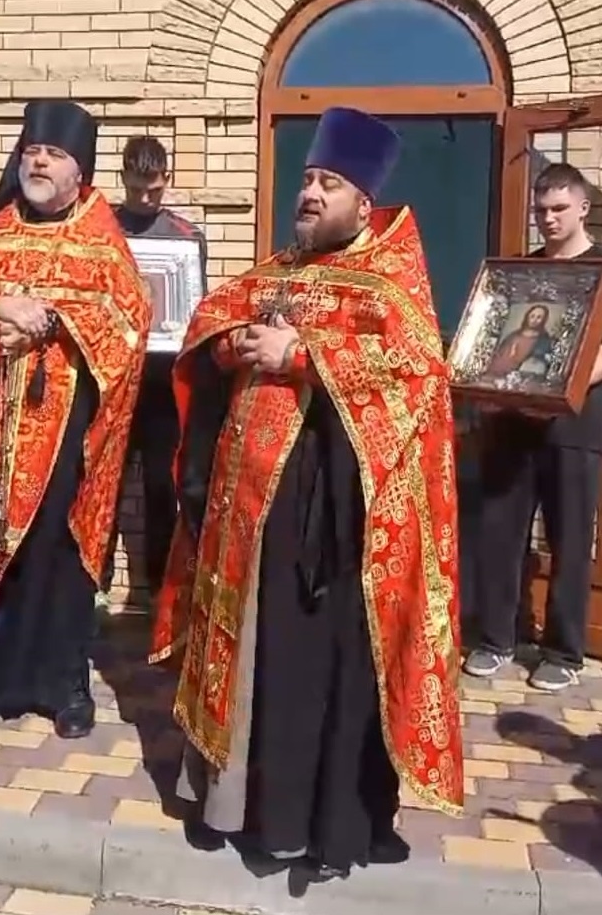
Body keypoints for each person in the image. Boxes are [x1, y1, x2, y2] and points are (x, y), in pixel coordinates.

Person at [151, 107, 463, 879]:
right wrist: (235, 343)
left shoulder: (390, 282)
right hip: (245, 513)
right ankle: (234, 805)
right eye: (309, 179)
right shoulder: (279, 270)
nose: (311, 193)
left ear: (365, 201)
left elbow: (417, 373)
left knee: (308, 668)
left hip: (331, 522)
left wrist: (305, 354)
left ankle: (308, 823)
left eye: (331, 184)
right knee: (250, 657)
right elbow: (213, 319)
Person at [0, 100, 151, 738]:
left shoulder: (101, 239)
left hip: (67, 425)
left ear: (80, 171)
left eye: (55, 154)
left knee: (57, 548)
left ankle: (62, 685)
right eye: (32, 151)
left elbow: (129, 316)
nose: (38, 162)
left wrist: (52, 321)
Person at [465, 162, 602, 692]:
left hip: (575, 428)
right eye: (541, 210)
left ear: (583, 208)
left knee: (570, 539)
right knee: (500, 534)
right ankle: (496, 639)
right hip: (514, 427)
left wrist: (564, 384)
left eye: (559, 209)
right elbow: (496, 344)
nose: (548, 218)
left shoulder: (598, 270)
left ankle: (564, 652)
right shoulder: (519, 275)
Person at [102, 135, 207, 600]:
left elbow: (196, 308)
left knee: (164, 484)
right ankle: (95, 583)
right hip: (111, 379)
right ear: (123, 177)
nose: (145, 199)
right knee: (102, 482)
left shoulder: (185, 236)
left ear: (167, 179)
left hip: (163, 383)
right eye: (136, 189)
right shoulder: (102, 229)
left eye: (154, 190)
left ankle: (158, 592)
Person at [487, 304, 552, 379]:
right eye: (532, 316)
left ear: (544, 320)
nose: (534, 320)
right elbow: (499, 353)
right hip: (495, 373)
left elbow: (538, 361)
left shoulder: (543, 340)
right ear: (527, 317)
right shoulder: (514, 335)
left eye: (539, 317)